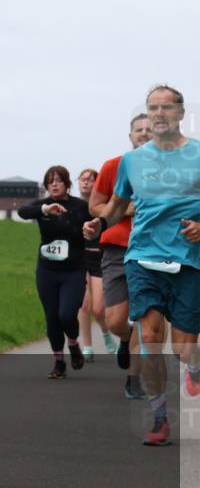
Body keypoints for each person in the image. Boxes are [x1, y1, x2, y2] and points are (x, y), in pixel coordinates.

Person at [84, 85, 200, 446]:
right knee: (148, 337)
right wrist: (100, 223)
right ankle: (160, 418)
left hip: (188, 260)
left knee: (183, 349)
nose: (159, 114)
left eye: (167, 108)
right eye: (153, 108)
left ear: (181, 113)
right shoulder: (132, 161)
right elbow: (118, 205)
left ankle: (194, 367)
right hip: (142, 258)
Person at [88, 113, 152, 399]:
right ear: (130, 136)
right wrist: (122, 210)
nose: (144, 134)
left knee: (145, 319)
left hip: (152, 251)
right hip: (117, 249)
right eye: (139, 130)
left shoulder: (168, 171)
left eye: (149, 129)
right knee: (115, 320)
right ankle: (124, 339)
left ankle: (134, 379)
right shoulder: (114, 166)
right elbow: (94, 206)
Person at [19, 166, 91, 378]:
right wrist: (45, 210)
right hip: (47, 271)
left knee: (66, 314)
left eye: (59, 180)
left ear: (67, 183)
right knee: (52, 317)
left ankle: (73, 343)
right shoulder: (43, 206)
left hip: (73, 271)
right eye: (50, 181)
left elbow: (95, 227)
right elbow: (22, 212)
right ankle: (59, 362)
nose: (54, 184)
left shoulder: (80, 206)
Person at [76, 168, 116, 361]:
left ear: (97, 184)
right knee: (83, 304)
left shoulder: (103, 208)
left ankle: (106, 333)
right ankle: (87, 347)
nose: (85, 182)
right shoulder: (73, 206)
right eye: (82, 179)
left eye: (90, 179)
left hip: (100, 259)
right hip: (79, 259)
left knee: (98, 308)